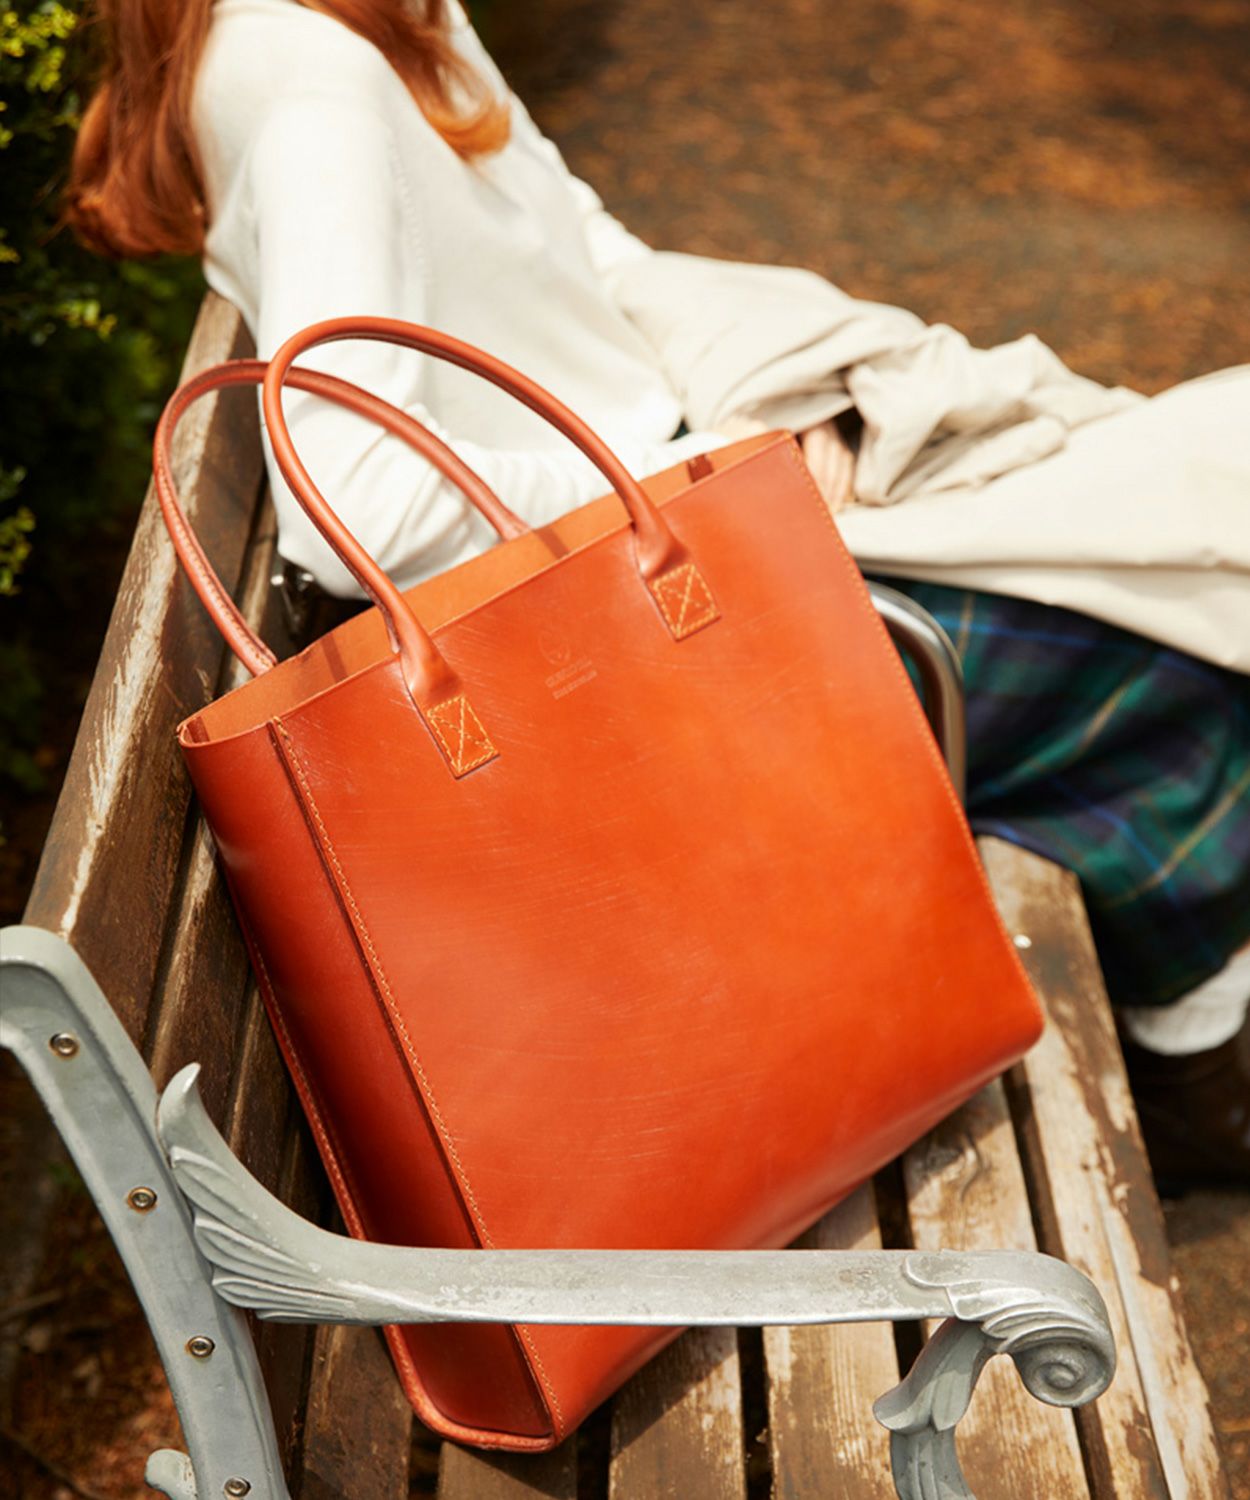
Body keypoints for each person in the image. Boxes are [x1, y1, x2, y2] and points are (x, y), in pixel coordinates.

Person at [68, 0, 1250, 1188]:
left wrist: (772, 411)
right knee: (1165, 633)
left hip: (634, 557)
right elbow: (358, 502)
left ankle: (1172, 1037)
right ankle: (1192, 1080)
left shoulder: (367, 21)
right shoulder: (313, 78)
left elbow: (584, 247)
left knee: (1147, 533)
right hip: (612, 647)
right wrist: (691, 482)